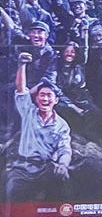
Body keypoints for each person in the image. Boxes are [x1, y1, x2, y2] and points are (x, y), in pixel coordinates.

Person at [7, 52, 72, 202]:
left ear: (56, 100)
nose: (45, 98)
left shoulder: (61, 125)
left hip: (45, 169)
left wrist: (63, 164)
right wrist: (22, 64)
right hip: (22, 169)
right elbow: (21, 89)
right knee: (12, 193)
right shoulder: (28, 112)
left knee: (59, 193)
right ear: (36, 99)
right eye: (42, 95)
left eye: (49, 95)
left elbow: (64, 149)